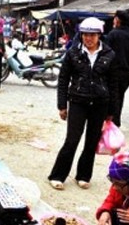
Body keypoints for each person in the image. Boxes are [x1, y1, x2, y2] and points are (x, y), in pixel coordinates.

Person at [48, 17, 118, 190]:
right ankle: (57, 175)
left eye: (92, 35)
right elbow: (63, 79)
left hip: (100, 104)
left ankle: (84, 175)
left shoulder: (109, 54)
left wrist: (112, 111)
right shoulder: (73, 53)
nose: (88, 38)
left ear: (99, 35)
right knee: (72, 140)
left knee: (91, 141)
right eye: (85, 34)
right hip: (78, 101)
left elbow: (114, 84)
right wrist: (62, 105)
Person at [105, 10, 129, 127]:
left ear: (118, 20)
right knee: (119, 97)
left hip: (111, 73)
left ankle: (109, 123)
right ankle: (115, 123)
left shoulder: (112, 34)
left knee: (108, 98)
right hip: (126, 75)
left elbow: (105, 54)